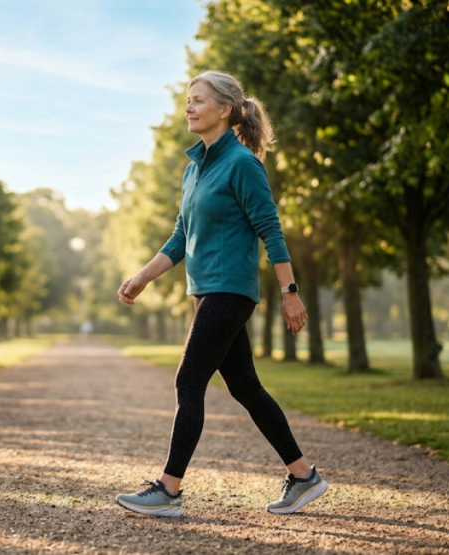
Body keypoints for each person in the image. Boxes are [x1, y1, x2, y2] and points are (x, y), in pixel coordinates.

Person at [114, 71, 327, 517]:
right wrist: (142, 277)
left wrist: (290, 292)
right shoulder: (195, 168)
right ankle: (304, 475)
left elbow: (271, 230)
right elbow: (179, 238)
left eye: (198, 101)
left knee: (188, 381)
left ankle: (168, 491)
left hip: (230, 291)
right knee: (245, 386)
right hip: (206, 291)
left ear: (225, 109)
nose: (189, 108)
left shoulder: (243, 164)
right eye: (187, 101)